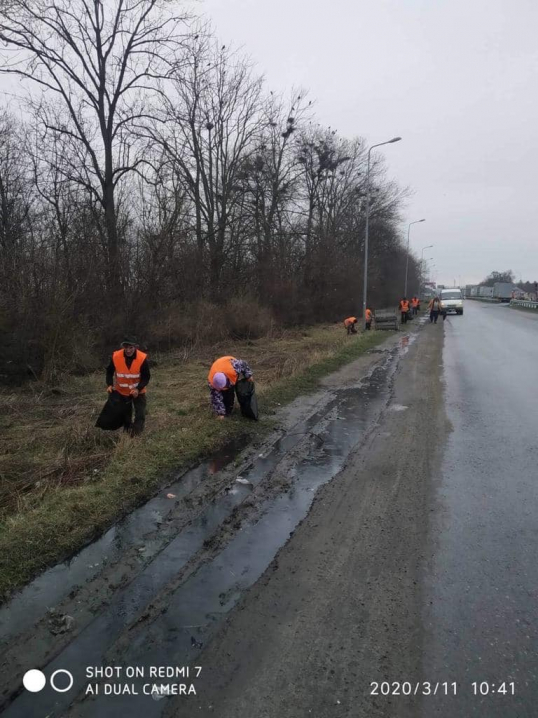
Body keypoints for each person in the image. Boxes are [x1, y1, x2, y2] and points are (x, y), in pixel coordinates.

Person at [106, 336, 150, 435]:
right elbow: (109, 372)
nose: (128, 350)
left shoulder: (142, 358)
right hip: (122, 391)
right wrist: (109, 384)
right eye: (126, 347)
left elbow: (146, 377)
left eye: (131, 347)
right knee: (125, 414)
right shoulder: (116, 356)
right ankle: (127, 431)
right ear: (123, 347)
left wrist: (138, 389)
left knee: (140, 413)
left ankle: (136, 434)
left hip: (138, 391)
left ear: (135, 347)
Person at [208, 355, 253, 419]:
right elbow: (216, 399)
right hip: (218, 367)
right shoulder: (212, 383)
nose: (223, 389)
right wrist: (220, 413)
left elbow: (243, 364)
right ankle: (224, 412)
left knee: (229, 394)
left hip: (227, 363)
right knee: (219, 396)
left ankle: (229, 408)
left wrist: (248, 375)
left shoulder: (234, 368)